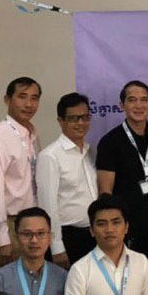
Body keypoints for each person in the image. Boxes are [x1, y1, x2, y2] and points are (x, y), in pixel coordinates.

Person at [97, 80, 148, 295]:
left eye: (143, 100)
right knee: (128, 289)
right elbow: (105, 193)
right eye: (132, 100)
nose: (138, 105)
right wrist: (114, 229)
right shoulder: (110, 142)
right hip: (128, 231)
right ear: (122, 105)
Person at [63, 194, 148, 295]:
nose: (109, 229)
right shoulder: (80, 269)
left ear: (126, 227)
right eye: (101, 224)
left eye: (116, 222)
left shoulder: (141, 262)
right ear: (91, 230)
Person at [0, 77, 41, 270]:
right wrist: (2, 239)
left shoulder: (32, 134)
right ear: (7, 100)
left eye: (34, 98)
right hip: (9, 224)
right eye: (22, 97)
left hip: (33, 222)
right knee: (8, 284)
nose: (29, 104)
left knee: (32, 282)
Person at [36, 92, 98, 268]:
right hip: (68, 237)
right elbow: (48, 205)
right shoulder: (50, 156)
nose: (81, 123)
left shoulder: (90, 151)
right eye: (73, 118)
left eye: (85, 117)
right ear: (60, 121)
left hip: (93, 234)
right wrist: (56, 247)